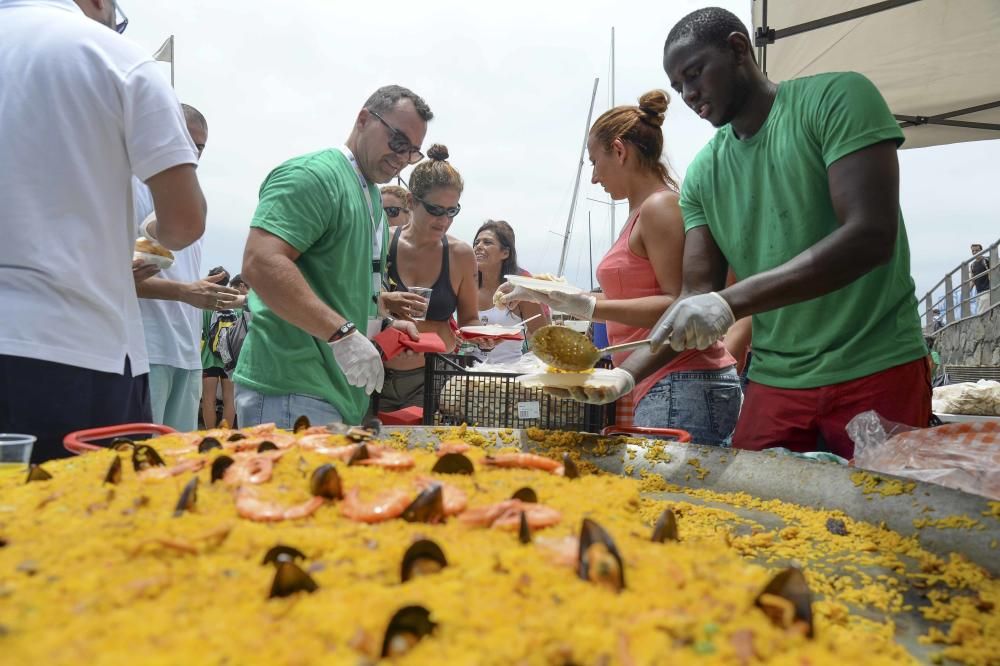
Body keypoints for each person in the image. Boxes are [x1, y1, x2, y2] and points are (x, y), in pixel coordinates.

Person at [565, 7, 930, 460]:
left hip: (875, 365)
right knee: (747, 511)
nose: (689, 94)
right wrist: (626, 376)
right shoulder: (703, 174)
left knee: (887, 514)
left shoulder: (838, 98)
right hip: (776, 379)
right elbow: (693, 297)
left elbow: (870, 236)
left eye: (695, 74)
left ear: (739, 48)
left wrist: (728, 303)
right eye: (678, 86)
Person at [0, 0, 205, 463]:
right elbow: (184, 223)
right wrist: (154, 230)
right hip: (74, 350)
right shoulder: (116, 57)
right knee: (82, 524)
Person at [501, 91, 741, 445]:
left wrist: (585, 304)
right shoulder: (642, 211)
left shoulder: (660, 207)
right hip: (665, 381)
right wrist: (550, 293)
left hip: (682, 379)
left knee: (669, 497)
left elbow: (681, 305)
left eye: (594, 162)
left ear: (619, 150)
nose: (595, 178)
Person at [234, 85, 427, 429]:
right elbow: (260, 263)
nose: (402, 157)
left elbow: (335, 282)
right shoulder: (314, 175)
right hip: (291, 391)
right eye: (398, 141)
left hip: (335, 394)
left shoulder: (370, 198)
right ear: (364, 119)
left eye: (412, 151)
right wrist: (342, 334)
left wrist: (382, 321)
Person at [135, 105, 242, 431]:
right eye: (185, 141)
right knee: (141, 465)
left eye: (200, 147)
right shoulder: (129, 187)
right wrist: (185, 291)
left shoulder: (191, 198)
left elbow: (170, 273)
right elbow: (113, 277)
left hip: (185, 352)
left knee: (180, 464)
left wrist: (199, 288)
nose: (192, 153)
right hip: (145, 349)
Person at [376, 145, 481, 412]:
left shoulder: (460, 254)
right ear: (411, 202)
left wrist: (483, 336)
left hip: (433, 379)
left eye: (452, 211)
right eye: (435, 210)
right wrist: (386, 302)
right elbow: (354, 298)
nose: (444, 220)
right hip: (375, 375)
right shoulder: (381, 243)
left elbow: (469, 318)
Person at [473, 220, 549, 365]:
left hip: (510, 376)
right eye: (477, 242)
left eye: (487, 242)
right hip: (470, 374)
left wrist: (527, 364)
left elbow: (544, 338)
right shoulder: (467, 288)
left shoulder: (519, 291)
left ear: (505, 253)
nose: (478, 247)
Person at [201, 266, 238, 428]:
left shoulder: (205, 304)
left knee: (208, 399)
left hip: (209, 358)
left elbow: (202, 331)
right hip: (229, 358)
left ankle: (211, 435)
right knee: (229, 399)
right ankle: (226, 435)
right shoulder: (234, 304)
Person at [970, 243, 991, 313]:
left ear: (981, 250)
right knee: (984, 312)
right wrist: (967, 291)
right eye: (973, 251)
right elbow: (973, 280)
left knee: (981, 313)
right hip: (978, 292)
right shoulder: (972, 265)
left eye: (977, 250)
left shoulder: (986, 260)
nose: (975, 252)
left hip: (987, 290)